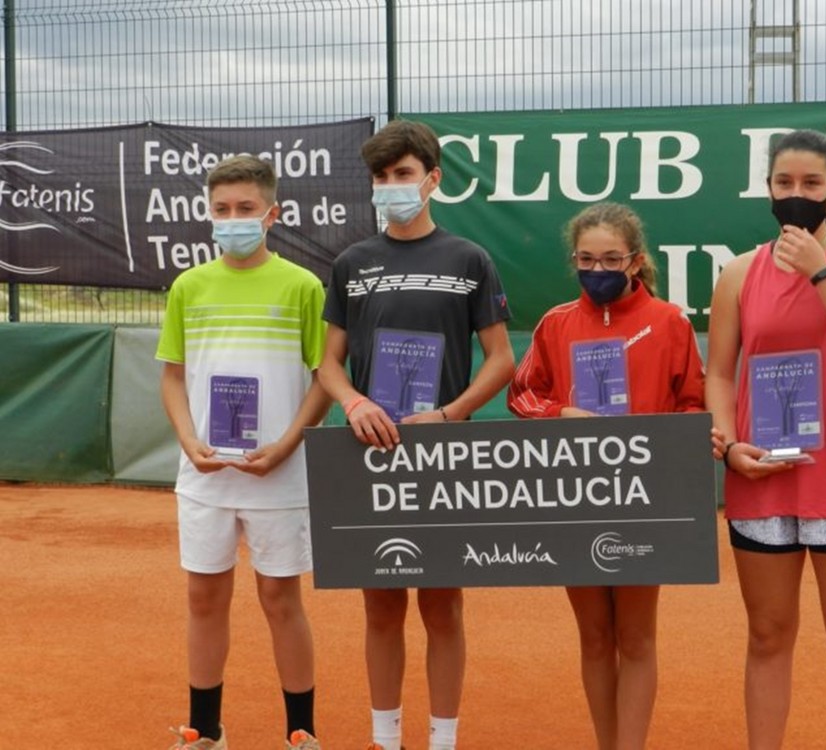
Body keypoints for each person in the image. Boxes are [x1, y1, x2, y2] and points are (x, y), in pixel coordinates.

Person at [316, 119, 515, 750]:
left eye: (403, 175)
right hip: (371, 453)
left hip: (441, 453)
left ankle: (443, 740)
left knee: (442, 606)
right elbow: (326, 363)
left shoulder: (469, 260)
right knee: (380, 605)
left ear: (432, 180)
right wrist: (350, 402)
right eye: (381, 177)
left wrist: (452, 414)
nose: (391, 187)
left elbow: (502, 360)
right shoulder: (351, 264)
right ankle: (385, 739)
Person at [705, 129, 826, 750]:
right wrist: (730, 445)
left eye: (811, 183)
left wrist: (821, 271)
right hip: (760, 478)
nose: (796, 194)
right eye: (784, 183)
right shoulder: (738, 272)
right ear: (768, 189)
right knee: (766, 636)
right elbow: (721, 372)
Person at [507, 202, 705, 750]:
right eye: (586, 259)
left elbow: (694, 403)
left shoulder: (671, 322)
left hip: (646, 497)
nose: (598, 269)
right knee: (595, 637)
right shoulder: (555, 322)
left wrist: (661, 442)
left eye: (611, 258)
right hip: (577, 497)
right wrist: (560, 414)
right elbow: (522, 393)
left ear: (635, 261)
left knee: (637, 638)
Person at [157, 155, 331, 750]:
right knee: (204, 596)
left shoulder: (304, 286)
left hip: (279, 474)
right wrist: (189, 442)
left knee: (281, 598)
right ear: (209, 215)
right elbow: (173, 377)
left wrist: (285, 446)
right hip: (205, 471)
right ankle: (205, 730)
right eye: (222, 210)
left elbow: (322, 379)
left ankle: (301, 731)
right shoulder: (188, 286)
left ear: (271, 214)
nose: (233, 219)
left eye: (246, 209)